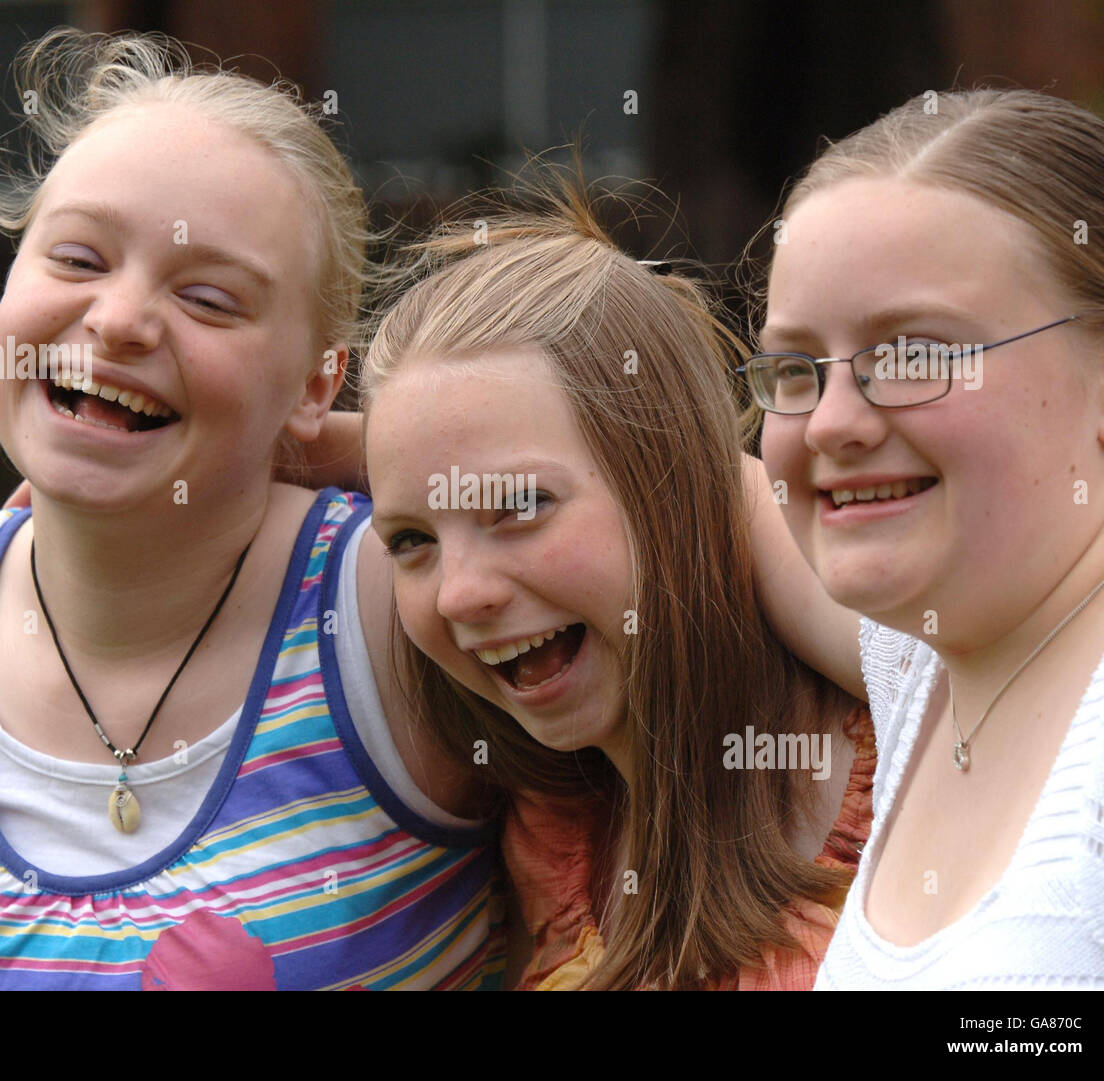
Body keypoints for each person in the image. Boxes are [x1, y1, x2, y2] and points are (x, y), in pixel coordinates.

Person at [0, 28, 503, 991]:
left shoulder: (389, 611)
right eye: (74, 258)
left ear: (317, 385)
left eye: (206, 298)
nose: (116, 319)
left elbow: (667, 514)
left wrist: (388, 452)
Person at [357, 182, 874, 990]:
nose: (458, 594)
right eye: (412, 540)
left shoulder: (921, 742)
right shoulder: (556, 839)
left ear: (674, 482)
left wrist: (710, 468)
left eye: (521, 506)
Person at [750, 88, 1104, 988]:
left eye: (912, 355)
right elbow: (687, 497)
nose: (831, 423)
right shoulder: (921, 659)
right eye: (796, 369)